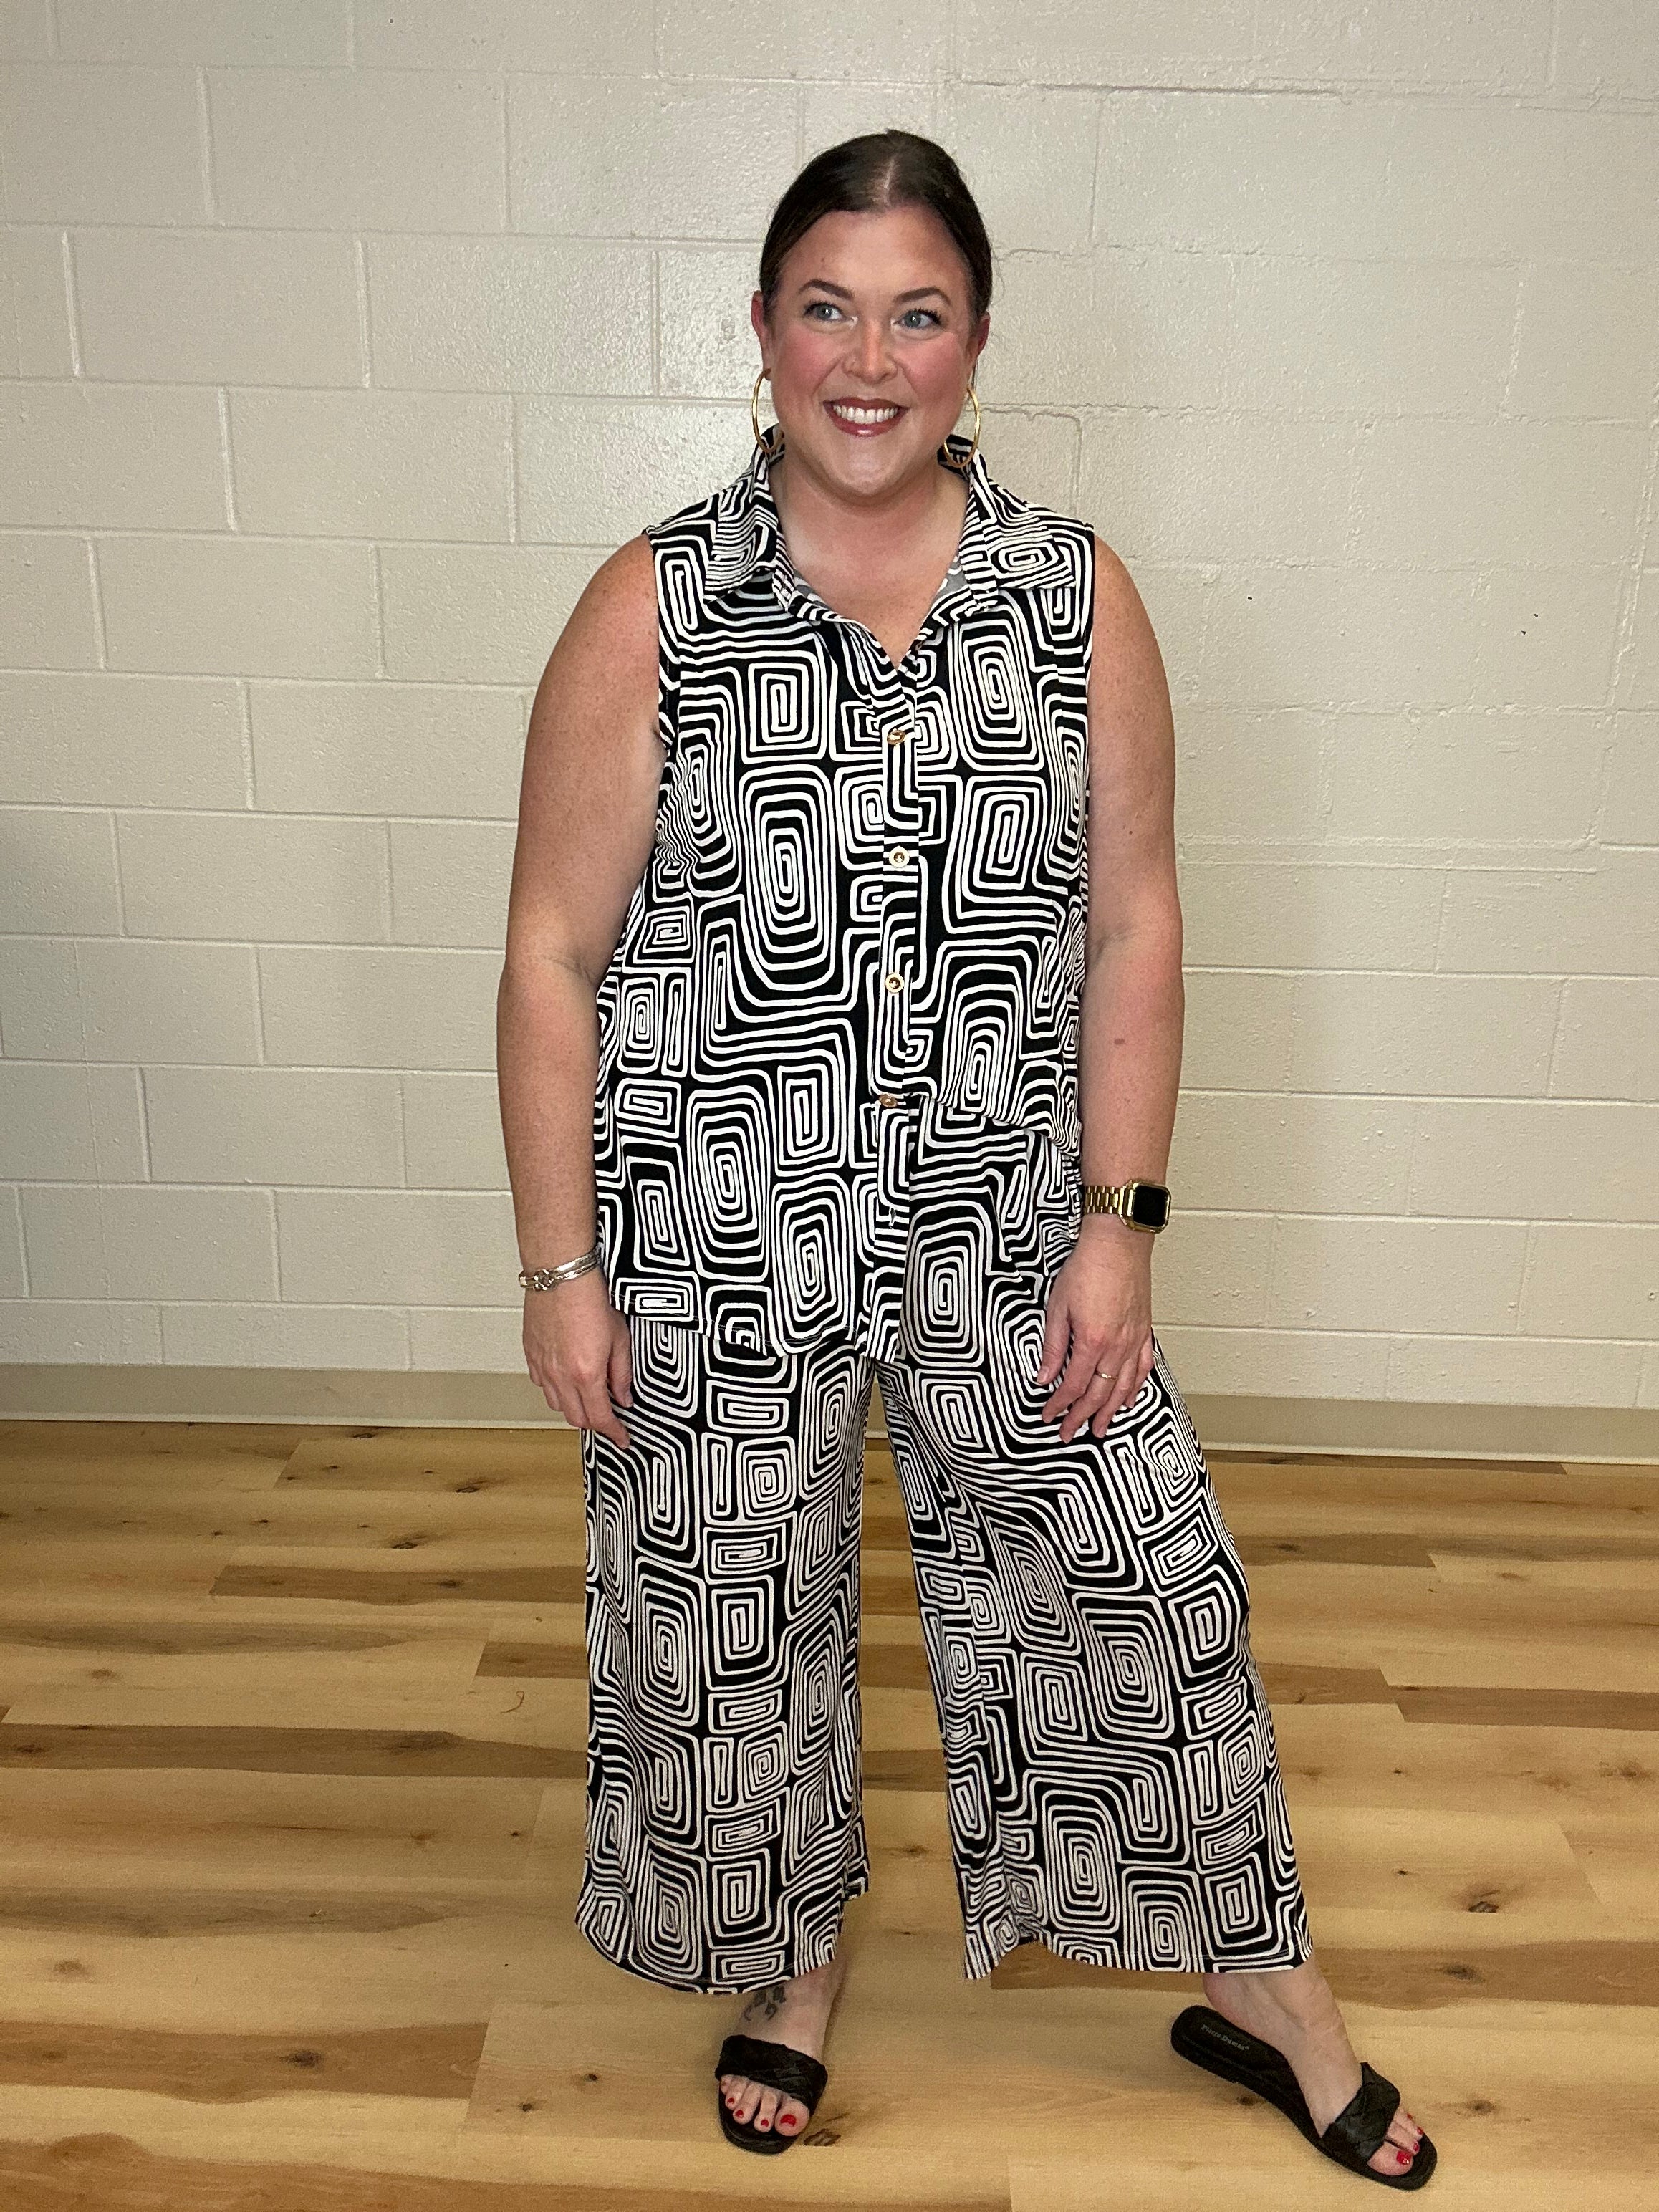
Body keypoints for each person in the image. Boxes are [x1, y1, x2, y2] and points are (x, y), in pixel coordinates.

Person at [497, 131, 1433, 2191]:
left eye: (915, 314)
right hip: (716, 1226)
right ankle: (793, 1962)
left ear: (977, 341)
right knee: (733, 1624)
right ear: (760, 333)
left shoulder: (1073, 596)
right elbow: (552, 953)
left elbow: (1135, 928)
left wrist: (1122, 1229)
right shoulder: (652, 605)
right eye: (826, 309)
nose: (868, 359)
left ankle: (1272, 1993)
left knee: (1138, 1585)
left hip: (1009, 1213)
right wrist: (561, 1269)